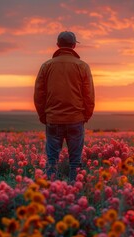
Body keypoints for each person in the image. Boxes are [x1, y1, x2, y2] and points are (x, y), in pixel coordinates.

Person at [34, 31, 95, 182]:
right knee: (75, 162)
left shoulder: (46, 66)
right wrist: (85, 115)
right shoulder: (82, 66)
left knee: (52, 161)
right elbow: (89, 95)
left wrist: (44, 116)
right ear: (74, 46)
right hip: (76, 119)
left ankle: (51, 194)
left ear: (57, 45)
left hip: (53, 119)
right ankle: (75, 193)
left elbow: (38, 95)